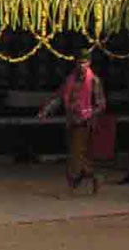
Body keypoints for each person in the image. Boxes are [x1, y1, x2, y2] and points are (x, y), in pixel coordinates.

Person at [39, 49, 106, 194]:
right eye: (79, 62)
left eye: (85, 62)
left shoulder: (94, 81)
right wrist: (46, 111)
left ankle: (72, 184)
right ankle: (93, 176)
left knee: (76, 154)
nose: (82, 65)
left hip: (85, 122)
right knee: (75, 153)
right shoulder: (70, 80)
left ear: (89, 63)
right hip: (71, 120)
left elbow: (101, 104)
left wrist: (88, 112)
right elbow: (59, 97)